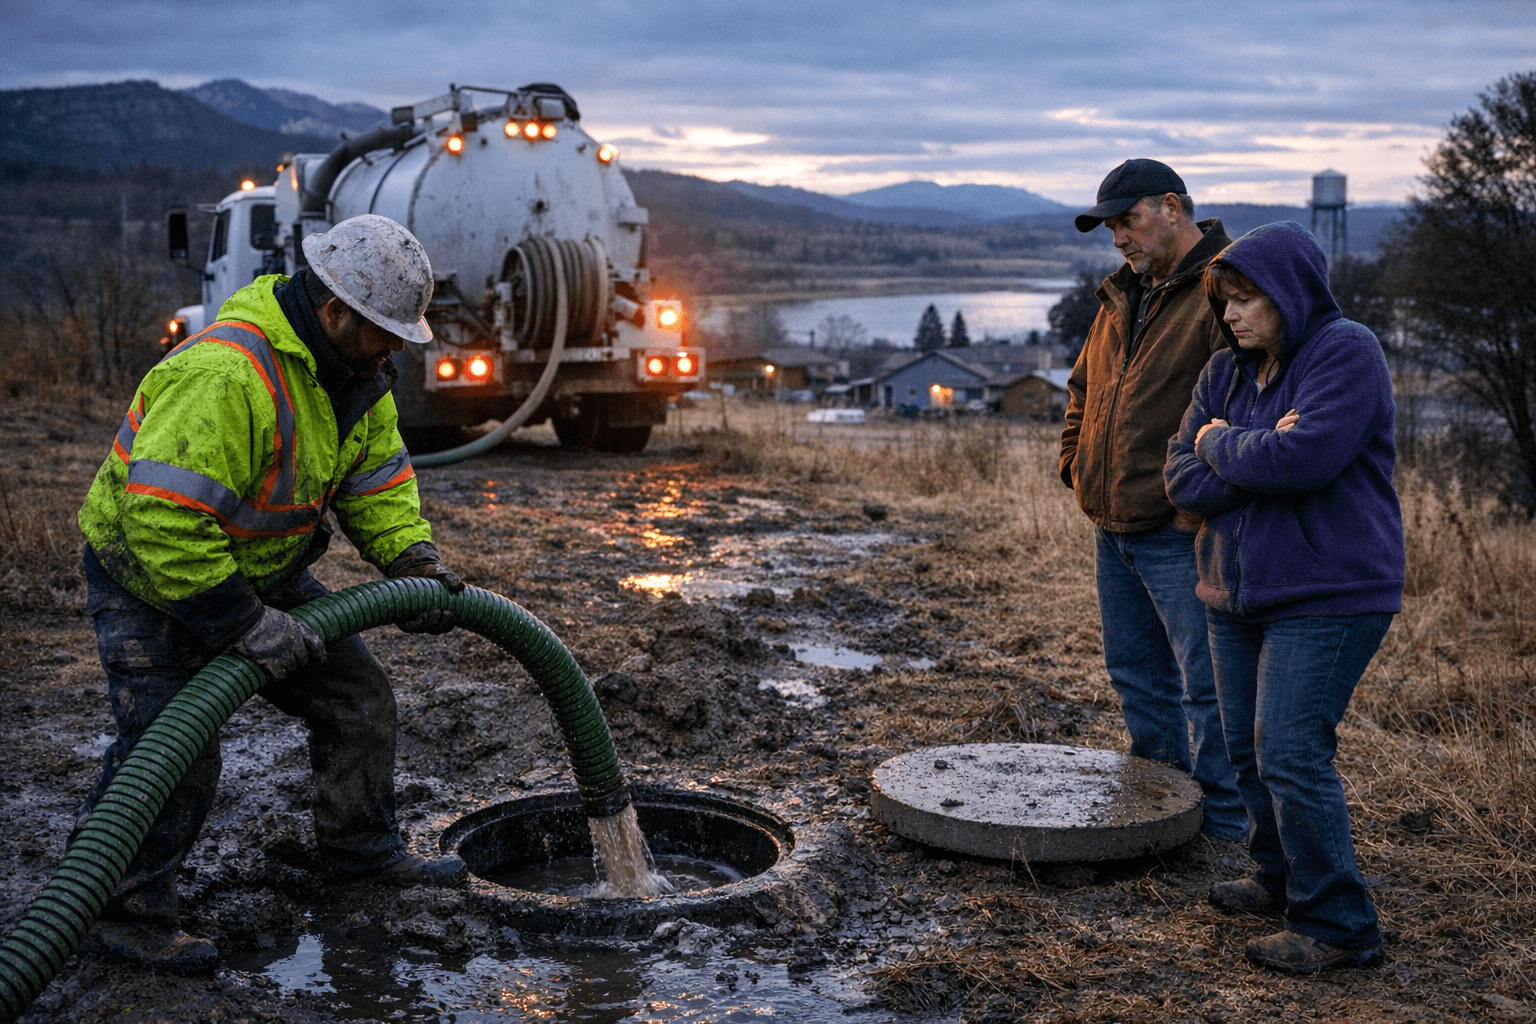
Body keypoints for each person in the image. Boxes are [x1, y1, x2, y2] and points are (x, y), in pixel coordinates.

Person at [75, 214, 469, 973]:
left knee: (356, 697)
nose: (393, 348)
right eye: (384, 331)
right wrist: (241, 623)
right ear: (334, 313)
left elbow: (377, 477)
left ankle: (360, 857)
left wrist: (410, 558)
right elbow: (161, 516)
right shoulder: (227, 376)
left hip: (260, 568)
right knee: (173, 750)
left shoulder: (354, 377)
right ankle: (121, 912)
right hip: (153, 579)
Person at [1164, 221, 1404, 972]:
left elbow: (1304, 460)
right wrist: (1236, 448)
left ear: (1290, 293)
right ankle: (1277, 877)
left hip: (1330, 590)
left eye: (1246, 299)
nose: (1231, 316)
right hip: (1233, 590)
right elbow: (1178, 478)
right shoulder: (1224, 373)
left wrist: (1217, 443)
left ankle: (1339, 926)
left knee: (1292, 752)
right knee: (1245, 749)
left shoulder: (1344, 350)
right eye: (1225, 302)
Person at [1059, 159, 1245, 840]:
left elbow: (1243, 407)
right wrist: (1074, 467)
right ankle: (1156, 809)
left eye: (1126, 221)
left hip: (1182, 531)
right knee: (1137, 677)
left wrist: (1191, 510)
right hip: (1113, 525)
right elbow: (1083, 389)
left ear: (1171, 207)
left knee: (1209, 685)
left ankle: (1224, 825)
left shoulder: (1226, 288)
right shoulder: (1121, 294)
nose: (1116, 239)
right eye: (1109, 226)